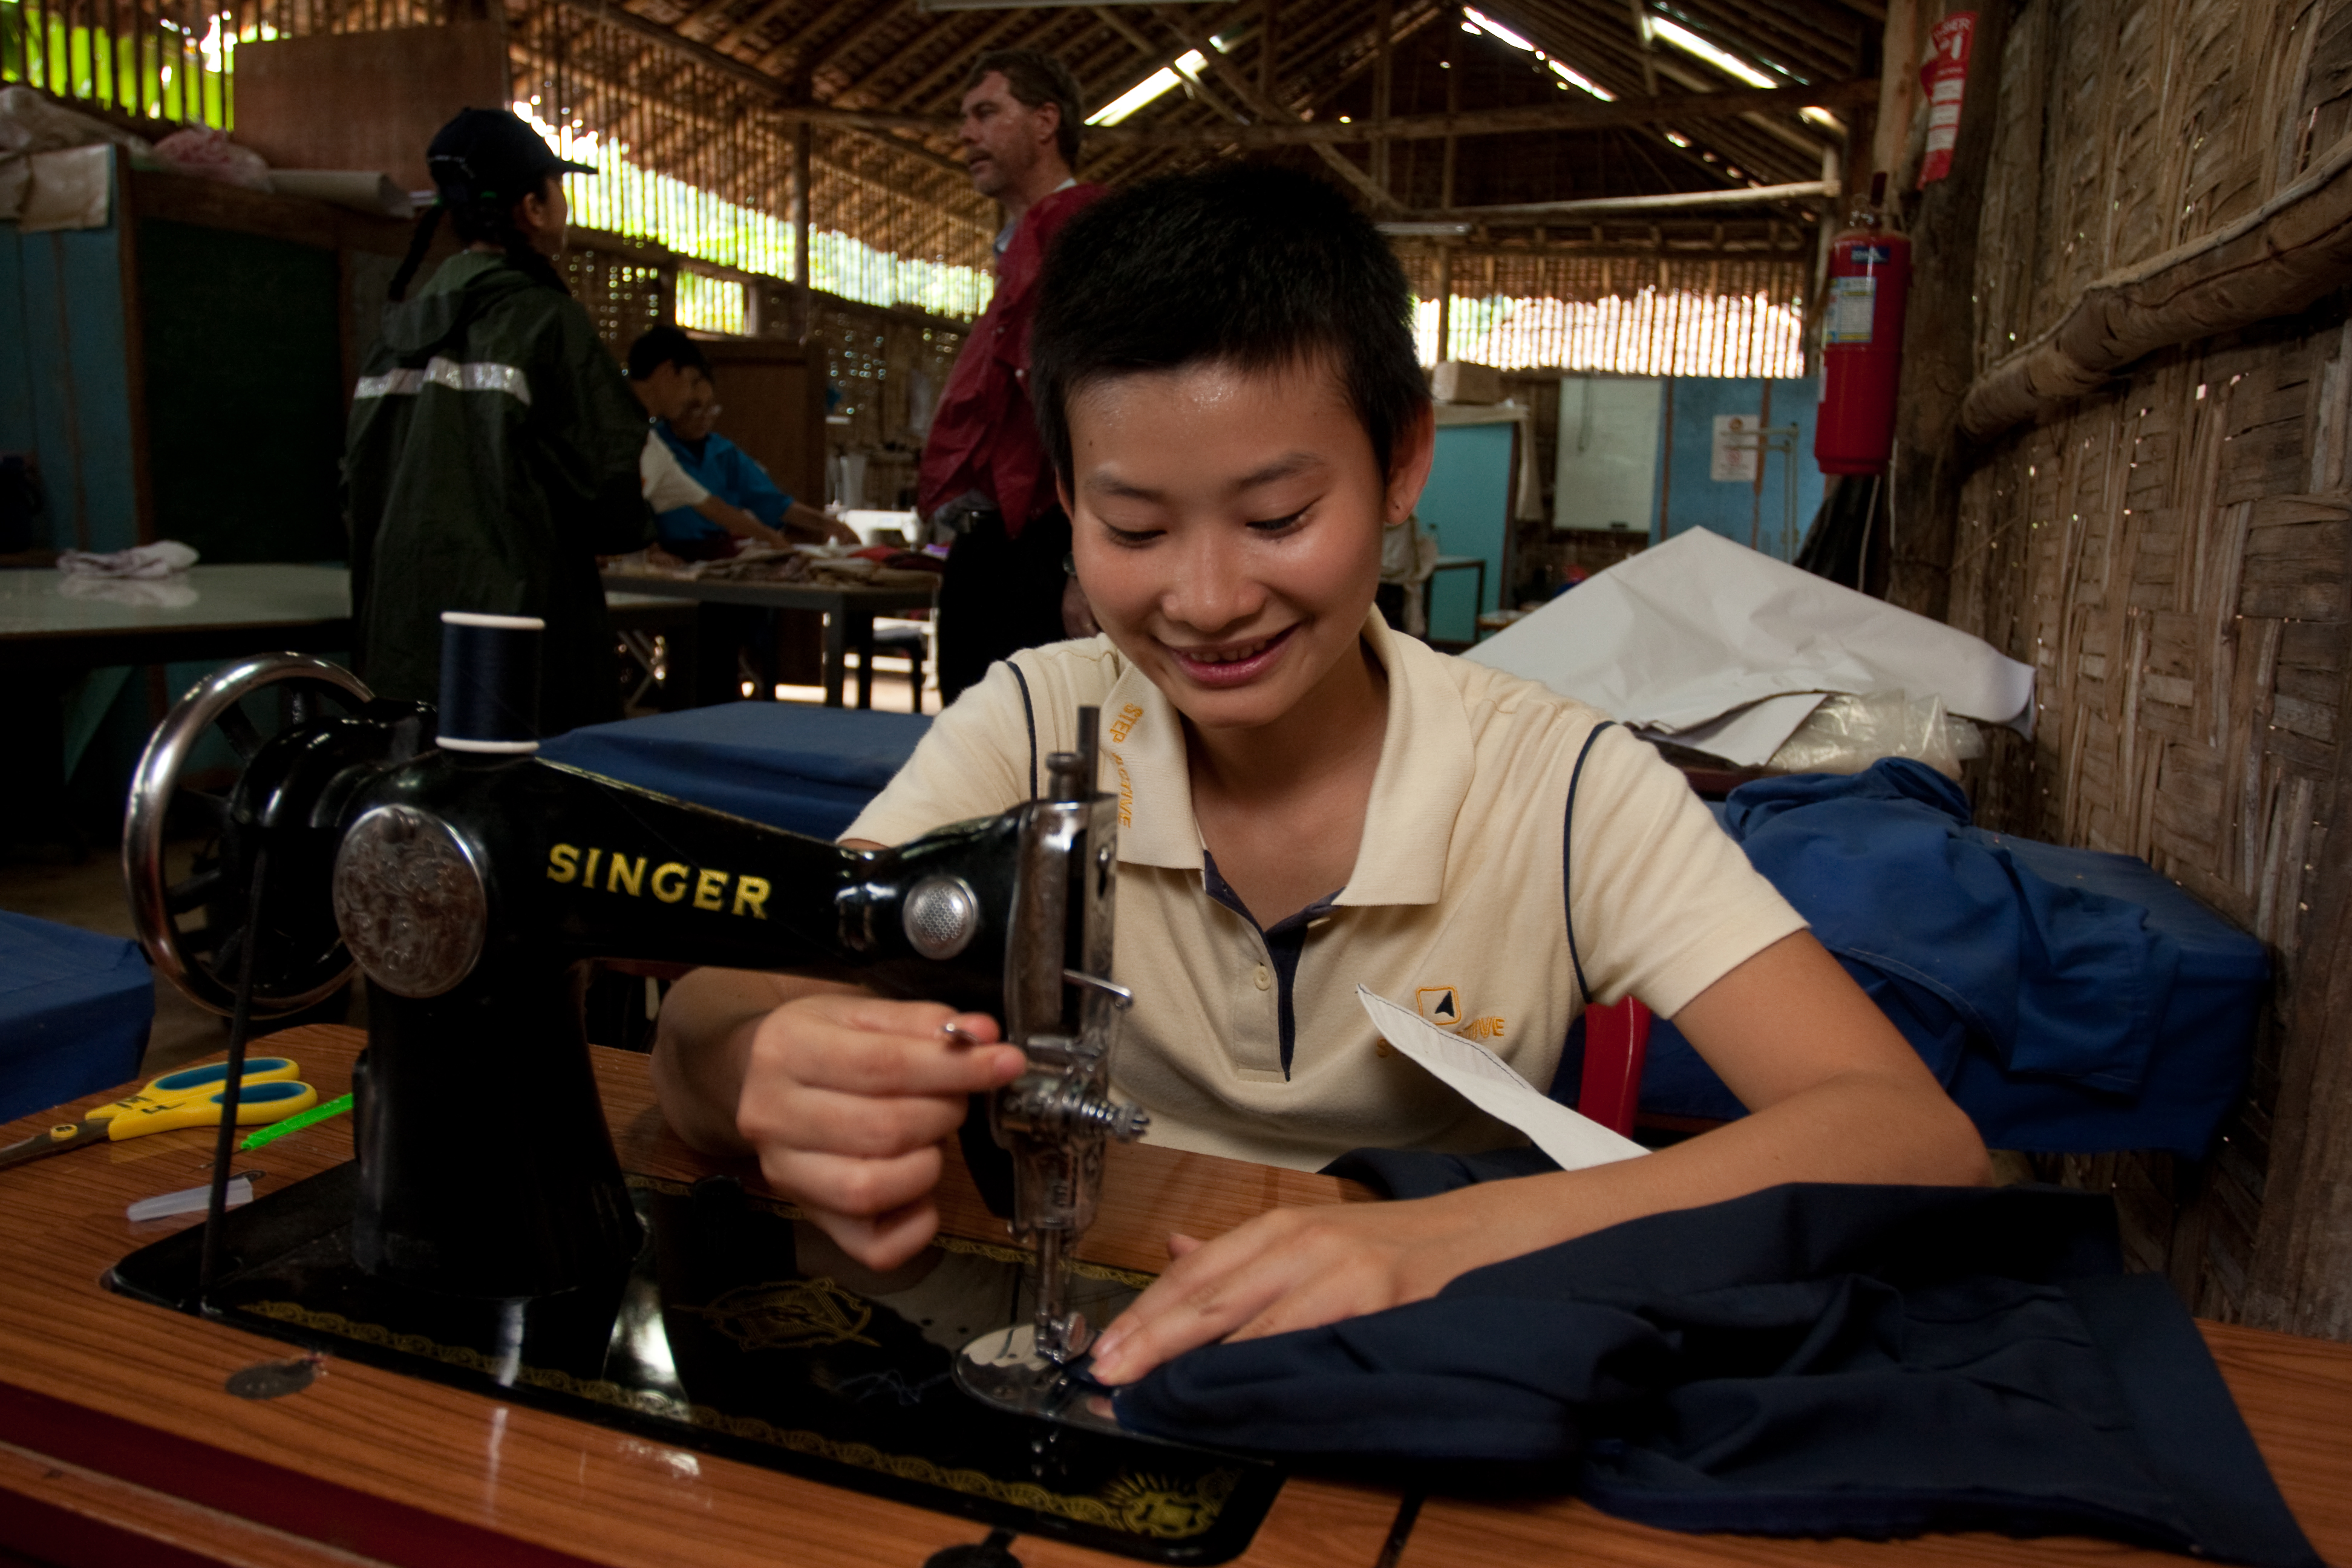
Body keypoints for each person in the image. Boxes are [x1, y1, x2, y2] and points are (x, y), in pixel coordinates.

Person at [649, 165, 1989, 1390]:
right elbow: (705, 1028)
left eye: (1278, 517)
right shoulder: (1036, 722)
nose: (1207, 599)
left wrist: (1449, 1236)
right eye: (1133, 528)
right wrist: (760, 1060)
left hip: (1426, 1369)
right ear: (1066, 493)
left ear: (1401, 460)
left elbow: (1912, 1140)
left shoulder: (1560, 783)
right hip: (1122, 1310)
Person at [345, 108, 650, 737]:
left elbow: (357, 487)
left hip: (402, 640)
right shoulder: (545, 322)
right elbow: (609, 487)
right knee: (526, 790)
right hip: (520, 643)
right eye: (556, 188)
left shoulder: (398, 335)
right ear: (533, 208)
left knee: (425, 785)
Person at [921, 49, 1106, 703]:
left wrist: (1086, 563)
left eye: (986, 113)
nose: (966, 134)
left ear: (1045, 121)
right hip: (989, 546)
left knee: (1042, 743)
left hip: (1044, 547)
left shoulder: (1083, 235)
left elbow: (1101, 408)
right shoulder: (1023, 247)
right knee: (972, 745)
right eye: (964, 119)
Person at [652, 362, 852, 559]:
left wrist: (828, 524)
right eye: (694, 409)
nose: (704, 417)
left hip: (719, 551)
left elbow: (771, 501)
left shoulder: (723, 452)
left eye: (710, 408)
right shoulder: (655, 447)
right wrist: (654, 551)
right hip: (669, 554)